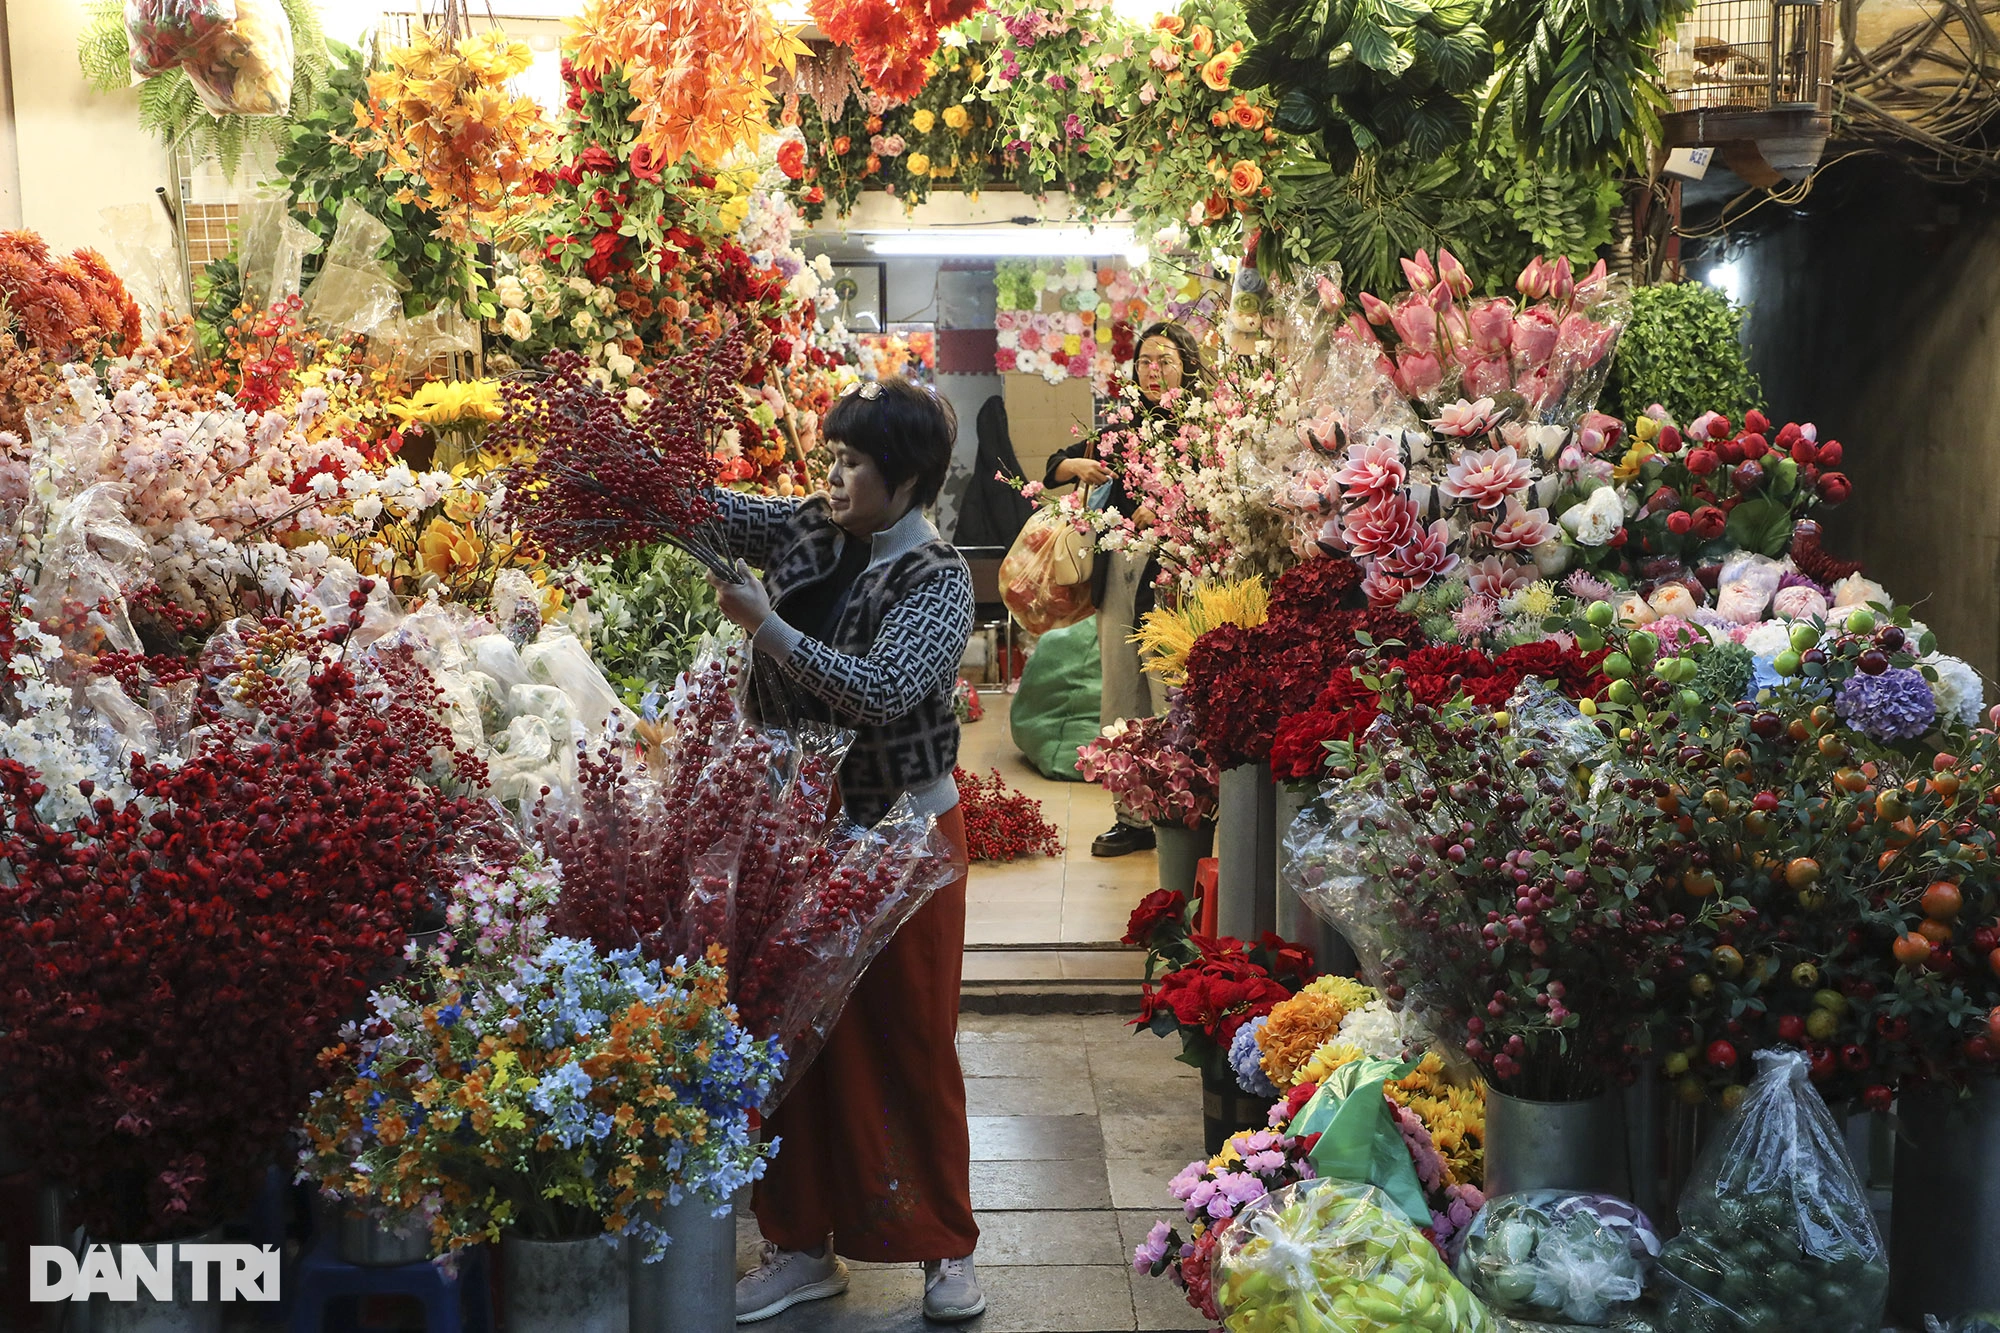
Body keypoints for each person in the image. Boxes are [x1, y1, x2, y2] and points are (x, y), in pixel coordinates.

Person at [704, 378, 983, 1325]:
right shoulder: (813, 530)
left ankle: (945, 1246)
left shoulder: (938, 580)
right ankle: (798, 1243)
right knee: (797, 1046)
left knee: (912, 1038)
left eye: (855, 462)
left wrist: (765, 625)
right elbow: (713, 511)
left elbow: (883, 689)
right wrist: (624, 467)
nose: (835, 474)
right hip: (802, 831)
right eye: (833, 454)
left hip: (905, 837)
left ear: (904, 479)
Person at [1042, 321, 1214, 857]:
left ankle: (1183, 807)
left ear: (1187, 365)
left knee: (1174, 693)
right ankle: (1133, 816)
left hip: (1182, 572)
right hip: (1124, 571)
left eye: (1165, 360)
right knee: (1121, 689)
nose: (1154, 371)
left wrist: (1167, 512)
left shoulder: (1208, 427)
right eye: (1144, 362)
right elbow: (1053, 467)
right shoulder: (1124, 425)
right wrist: (1077, 465)